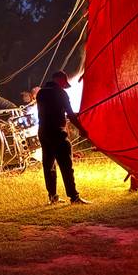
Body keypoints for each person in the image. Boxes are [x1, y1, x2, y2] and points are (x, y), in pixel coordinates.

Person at [36, 70, 90, 205]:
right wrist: (82, 129)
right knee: (66, 165)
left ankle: (53, 196)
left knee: (49, 166)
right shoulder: (60, 93)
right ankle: (74, 197)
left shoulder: (41, 93)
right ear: (60, 80)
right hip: (58, 133)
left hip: (43, 132)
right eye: (64, 83)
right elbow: (70, 114)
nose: (64, 86)